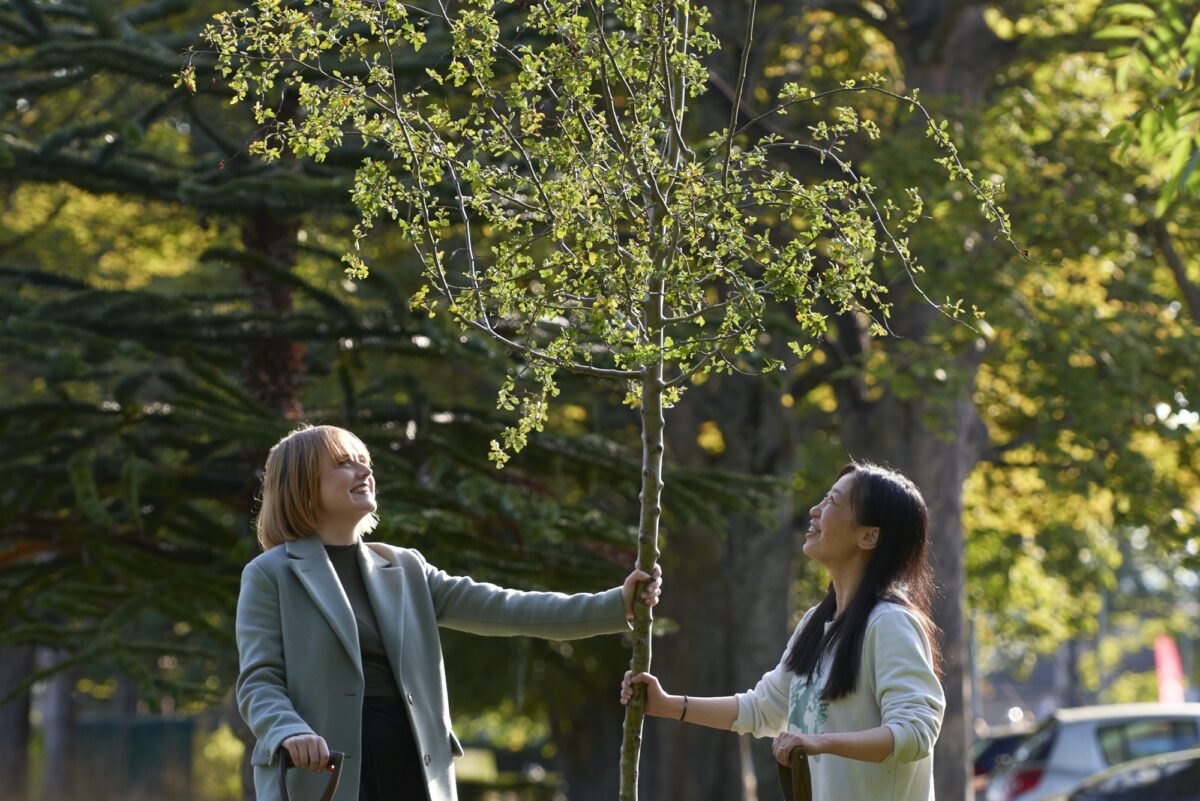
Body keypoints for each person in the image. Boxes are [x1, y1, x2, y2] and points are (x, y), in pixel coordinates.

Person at [238, 423, 662, 801]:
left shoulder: (405, 567)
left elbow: (507, 608)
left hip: (413, 760)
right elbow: (259, 682)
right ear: (302, 484)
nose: (365, 471)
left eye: (365, 461)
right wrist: (288, 730)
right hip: (324, 769)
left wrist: (614, 603)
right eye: (345, 463)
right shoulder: (270, 574)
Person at [621, 462, 944, 800]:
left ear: (869, 535)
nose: (815, 510)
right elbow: (763, 709)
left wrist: (818, 744)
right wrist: (667, 705)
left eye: (832, 502)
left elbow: (915, 733)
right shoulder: (816, 624)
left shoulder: (890, 623)